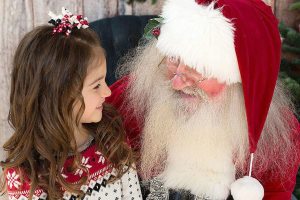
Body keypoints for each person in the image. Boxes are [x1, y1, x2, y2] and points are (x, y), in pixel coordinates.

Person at [107, 0, 300, 199]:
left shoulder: (279, 134)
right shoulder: (130, 97)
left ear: (238, 81)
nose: (176, 84)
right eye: (174, 58)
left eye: (198, 70)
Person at [0, 8, 142, 200]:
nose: (107, 92)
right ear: (62, 95)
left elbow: (133, 194)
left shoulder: (111, 135)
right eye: (96, 85)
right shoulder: (27, 176)